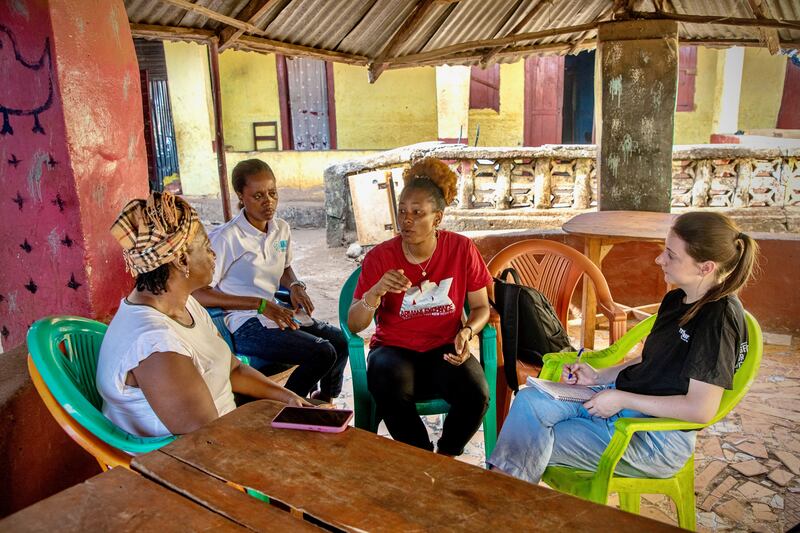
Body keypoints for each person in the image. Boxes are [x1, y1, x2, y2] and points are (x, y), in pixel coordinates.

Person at [488, 211, 758, 483]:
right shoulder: (678, 299)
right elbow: (650, 361)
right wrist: (597, 375)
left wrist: (623, 399)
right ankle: (504, 500)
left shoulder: (718, 319)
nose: (659, 259)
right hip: (623, 403)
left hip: (653, 438)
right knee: (528, 401)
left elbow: (700, 410)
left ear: (706, 267)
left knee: (530, 439)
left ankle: (502, 505)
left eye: (671, 255)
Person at [97, 192, 309, 438]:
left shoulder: (186, 304)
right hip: (184, 462)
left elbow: (233, 370)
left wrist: (290, 398)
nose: (214, 255)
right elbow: (204, 442)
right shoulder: (155, 345)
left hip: (220, 436)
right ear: (181, 259)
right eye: (207, 247)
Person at [347, 157, 492, 456]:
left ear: (437, 218)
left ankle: (446, 455)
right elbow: (354, 324)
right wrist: (376, 291)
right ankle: (420, 456)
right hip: (395, 350)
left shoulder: (462, 249)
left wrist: (468, 331)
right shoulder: (380, 257)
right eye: (402, 212)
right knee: (386, 380)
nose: (406, 220)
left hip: (444, 347)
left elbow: (481, 308)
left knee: (476, 395)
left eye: (417, 213)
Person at [193, 159, 348, 402]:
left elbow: (284, 266)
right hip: (243, 322)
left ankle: (323, 399)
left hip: (275, 313)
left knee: (338, 340)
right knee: (322, 352)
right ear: (240, 196)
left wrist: (295, 286)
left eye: (273, 193)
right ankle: (283, 409)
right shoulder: (227, 238)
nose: (269, 202)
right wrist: (258, 304)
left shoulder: (280, 229)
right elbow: (198, 292)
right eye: (258, 196)